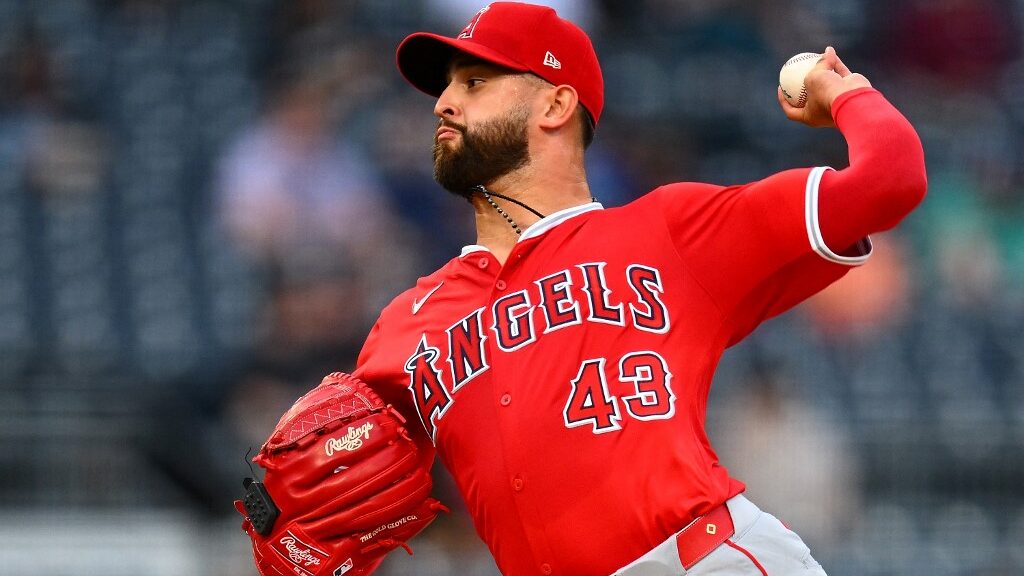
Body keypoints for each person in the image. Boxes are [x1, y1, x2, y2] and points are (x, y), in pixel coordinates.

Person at [352, 2, 927, 575]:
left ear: (556, 104)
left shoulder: (670, 231)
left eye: (475, 82)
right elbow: (332, 486)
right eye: (447, 87)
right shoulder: (406, 326)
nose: (445, 102)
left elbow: (890, 180)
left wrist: (847, 93)